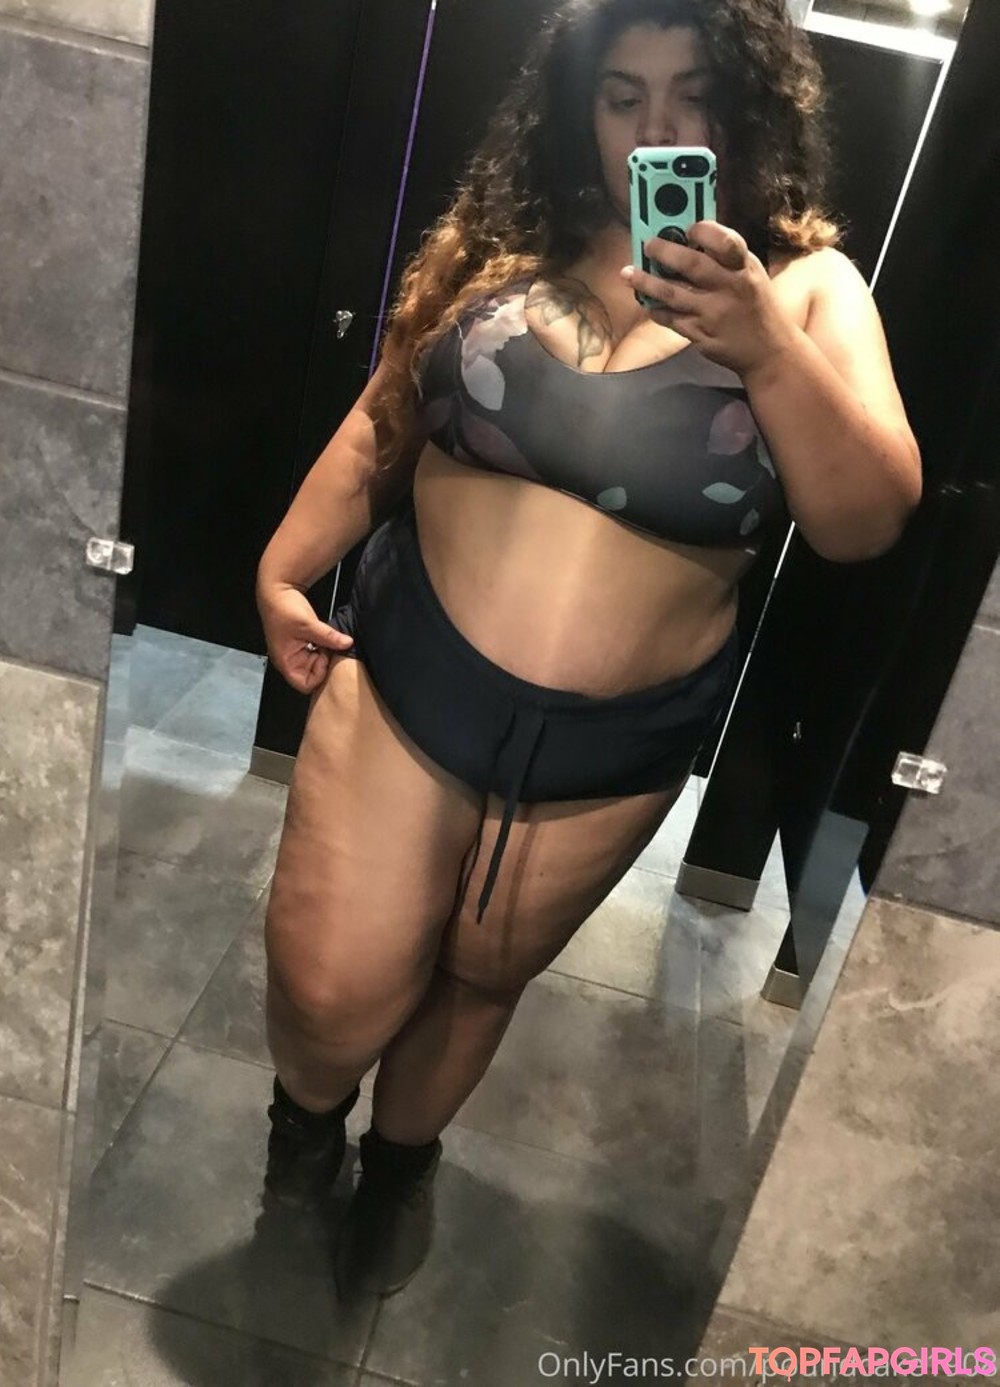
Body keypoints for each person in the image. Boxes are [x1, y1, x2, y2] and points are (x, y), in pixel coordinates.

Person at [254, 0, 921, 1302]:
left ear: (748, 106)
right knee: (331, 989)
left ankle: (397, 1168)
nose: (658, 127)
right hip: (410, 683)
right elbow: (387, 417)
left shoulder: (809, 292)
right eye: (624, 97)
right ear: (582, 109)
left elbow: (864, 519)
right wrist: (283, 566)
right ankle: (301, 1143)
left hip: (612, 748)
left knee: (478, 978)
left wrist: (764, 348)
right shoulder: (509, 241)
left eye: (692, 94)